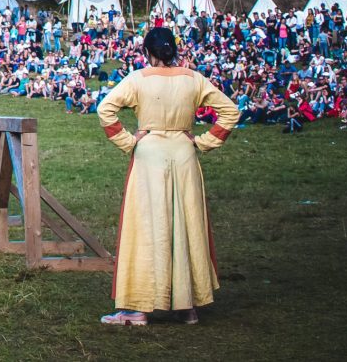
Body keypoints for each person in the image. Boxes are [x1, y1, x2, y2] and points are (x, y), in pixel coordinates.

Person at [96, 27, 240, 326]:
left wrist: (127, 140)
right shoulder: (193, 78)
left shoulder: (138, 78)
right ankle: (187, 306)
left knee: (146, 227)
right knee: (186, 224)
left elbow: (105, 109)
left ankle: (137, 308)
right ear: (173, 50)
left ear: (147, 52)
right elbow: (230, 111)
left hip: (149, 154)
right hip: (184, 153)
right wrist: (203, 141)